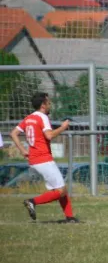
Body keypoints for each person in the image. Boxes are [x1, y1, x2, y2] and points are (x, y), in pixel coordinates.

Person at [9, 92, 78, 223]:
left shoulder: (29, 118)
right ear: (43, 105)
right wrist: (63, 127)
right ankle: (32, 202)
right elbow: (49, 135)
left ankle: (70, 218)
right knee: (61, 189)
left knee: (60, 187)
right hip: (43, 158)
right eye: (48, 102)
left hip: (34, 160)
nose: (50, 104)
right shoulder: (42, 117)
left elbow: (13, 133)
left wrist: (24, 150)